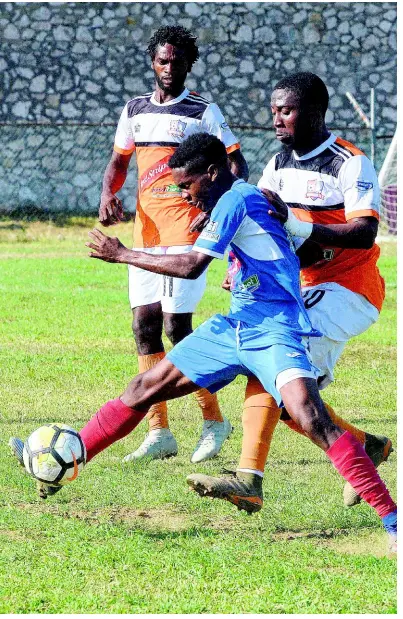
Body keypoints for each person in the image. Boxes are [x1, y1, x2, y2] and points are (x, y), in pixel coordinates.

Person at [9, 133, 397, 550]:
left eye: (187, 185)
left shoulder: (237, 198)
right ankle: (71, 455)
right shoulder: (233, 201)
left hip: (275, 330)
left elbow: (193, 265)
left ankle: (393, 522)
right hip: (236, 325)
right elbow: (281, 247)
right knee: (144, 387)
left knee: (311, 418)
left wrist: (122, 254)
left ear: (213, 173)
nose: (183, 194)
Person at [187, 72, 393, 515]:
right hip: (298, 289)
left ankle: (247, 480)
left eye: (287, 110)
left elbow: (365, 231)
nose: (277, 119)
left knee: (276, 371)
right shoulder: (278, 165)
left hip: (348, 289)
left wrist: (299, 225)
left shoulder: (349, 162)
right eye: (274, 111)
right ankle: (365, 446)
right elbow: (261, 224)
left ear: (316, 112)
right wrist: (240, 267)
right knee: (286, 399)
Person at [98, 26, 248, 463]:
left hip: (186, 233)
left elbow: (235, 162)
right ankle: (159, 431)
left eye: (177, 61)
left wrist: (215, 207)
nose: (169, 68)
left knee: (176, 328)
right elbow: (117, 161)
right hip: (147, 234)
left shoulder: (202, 111)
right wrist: (109, 193)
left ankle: (213, 420)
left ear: (188, 64)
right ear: (153, 62)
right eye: (163, 61)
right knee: (144, 326)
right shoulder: (135, 109)